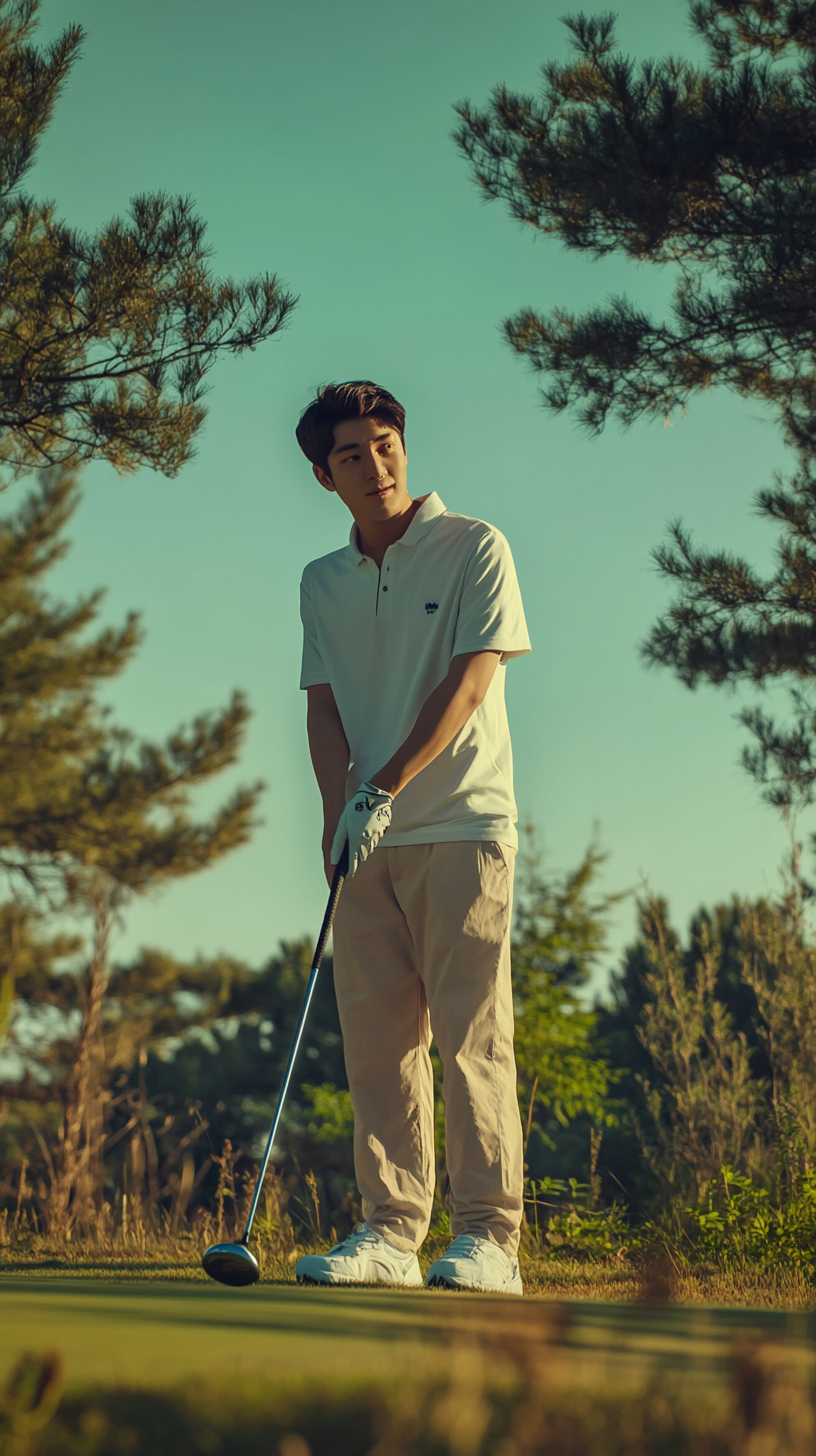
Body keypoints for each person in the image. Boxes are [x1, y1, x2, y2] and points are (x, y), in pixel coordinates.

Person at [293, 381, 531, 1294]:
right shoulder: (321, 581)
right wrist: (335, 813)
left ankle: (488, 1239)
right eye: (351, 454)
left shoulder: (475, 546)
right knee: (378, 1041)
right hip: (363, 842)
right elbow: (323, 708)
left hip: (464, 821)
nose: (374, 462)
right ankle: (390, 1233)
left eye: (385, 442)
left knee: (472, 1036)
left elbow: (471, 684)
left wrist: (383, 787)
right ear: (325, 476)